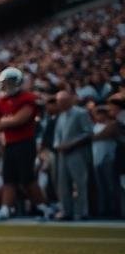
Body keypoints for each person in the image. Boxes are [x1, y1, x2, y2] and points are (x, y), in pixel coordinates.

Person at [0, 67, 53, 220]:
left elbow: (20, 119)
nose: (6, 86)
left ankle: (43, 207)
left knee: (27, 178)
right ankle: (5, 209)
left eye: (9, 83)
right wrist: (6, 122)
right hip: (10, 144)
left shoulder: (28, 97)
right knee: (8, 178)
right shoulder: (1, 100)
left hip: (25, 142)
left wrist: (4, 123)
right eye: (5, 83)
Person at [53, 89, 93, 221]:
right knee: (63, 184)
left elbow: (88, 133)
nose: (60, 104)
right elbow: (58, 135)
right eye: (59, 102)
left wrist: (71, 144)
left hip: (77, 153)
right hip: (62, 154)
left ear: (70, 100)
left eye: (63, 101)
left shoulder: (80, 113)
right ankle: (66, 211)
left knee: (80, 183)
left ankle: (82, 212)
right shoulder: (61, 115)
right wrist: (58, 145)